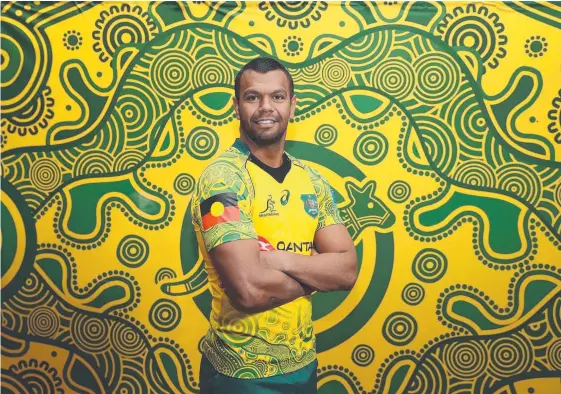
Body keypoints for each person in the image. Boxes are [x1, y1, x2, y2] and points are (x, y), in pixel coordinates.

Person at [191, 57, 358, 394]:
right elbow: (249, 291)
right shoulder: (222, 181)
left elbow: (348, 270)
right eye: (253, 97)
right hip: (239, 373)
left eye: (277, 97)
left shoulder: (313, 181)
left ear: (292, 106)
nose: (265, 107)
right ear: (236, 106)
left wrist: (281, 261)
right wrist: (316, 275)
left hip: (304, 365)